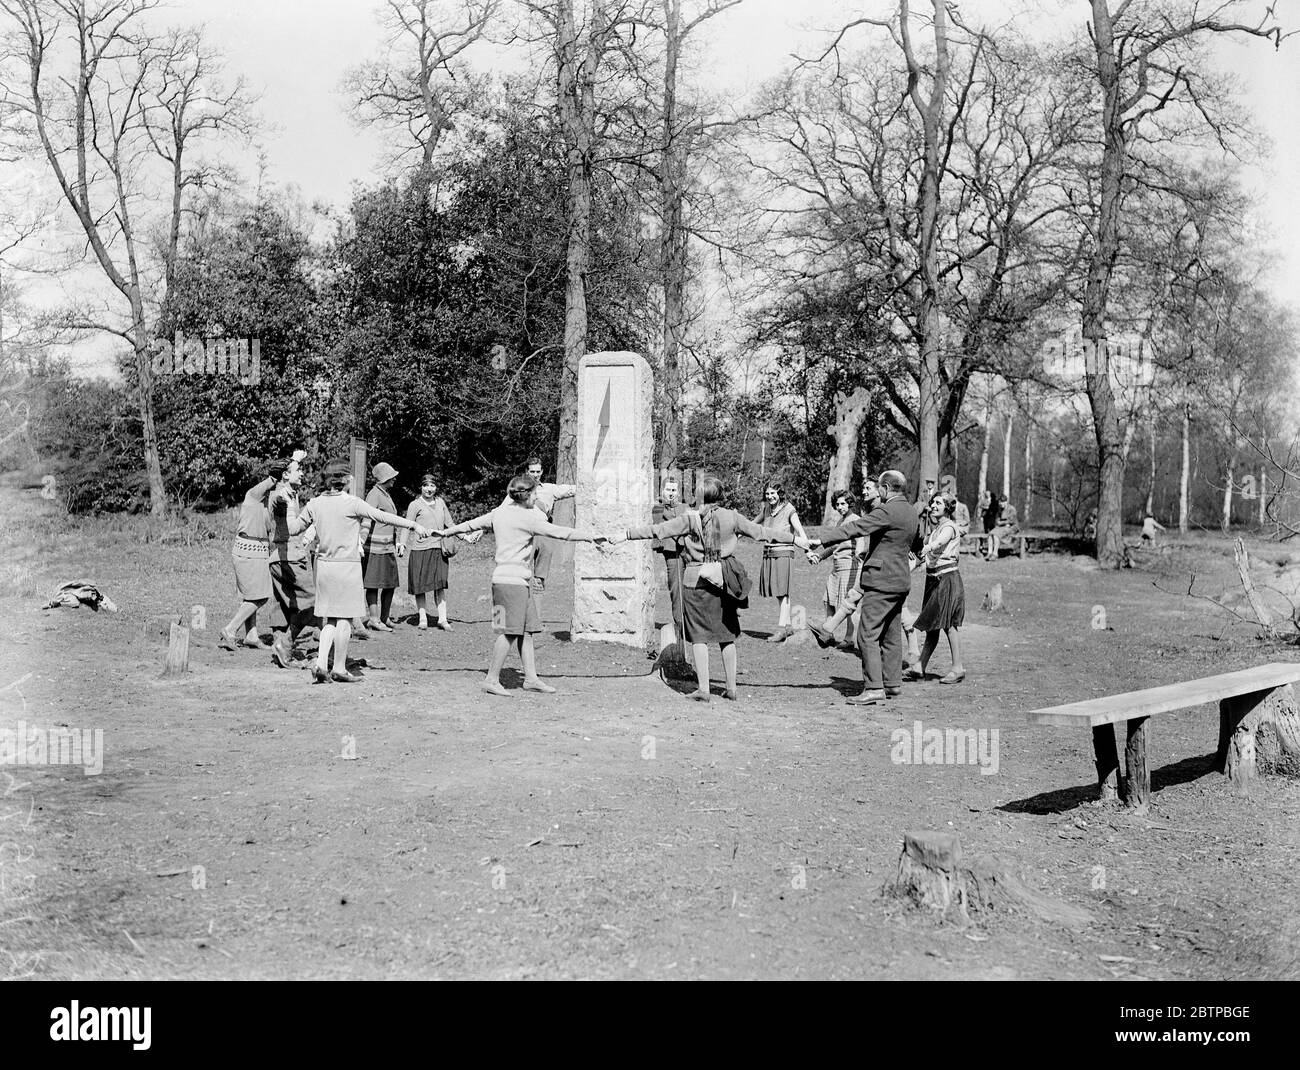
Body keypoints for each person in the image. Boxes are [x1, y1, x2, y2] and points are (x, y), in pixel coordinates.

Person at [610, 475, 812, 702]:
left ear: (699, 497)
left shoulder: (690, 518)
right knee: (727, 636)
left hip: (695, 581)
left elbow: (658, 530)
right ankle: (732, 688)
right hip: (724, 580)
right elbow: (762, 532)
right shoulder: (733, 517)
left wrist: (625, 535)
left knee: (699, 637)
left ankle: (704, 690)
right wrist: (796, 540)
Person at [440, 474, 606, 696]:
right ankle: (491, 679)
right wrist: (590, 537)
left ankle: (531, 678)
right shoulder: (530, 518)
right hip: (512, 585)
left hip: (505, 582)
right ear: (527, 496)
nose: (537, 498)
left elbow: (470, 524)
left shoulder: (497, 514)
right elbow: (561, 532)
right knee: (509, 632)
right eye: (535, 493)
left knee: (526, 631)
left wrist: (445, 532)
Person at [288, 460, 433, 683]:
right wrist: (413, 525)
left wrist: (286, 507)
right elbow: (381, 516)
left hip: (324, 568)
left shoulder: (315, 503)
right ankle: (338, 667)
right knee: (345, 618)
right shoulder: (352, 503)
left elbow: (294, 528)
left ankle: (320, 663)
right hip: (346, 568)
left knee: (329, 620)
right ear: (344, 479)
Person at [807, 470, 921, 705]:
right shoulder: (911, 512)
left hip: (880, 580)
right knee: (891, 635)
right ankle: (892, 684)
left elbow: (856, 527)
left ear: (886, 488)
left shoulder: (886, 510)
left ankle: (874, 688)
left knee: (867, 635)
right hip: (901, 581)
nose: (878, 492)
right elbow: (918, 544)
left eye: (879, 488)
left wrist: (822, 540)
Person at [402, 472, 476, 630]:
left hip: (438, 550)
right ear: (421, 487)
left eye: (432, 485)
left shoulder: (441, 502)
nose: (429, 489)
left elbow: (450, 524)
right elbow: (407, 526)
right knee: (420, 586)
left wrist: (466, 537)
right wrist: (401, 543)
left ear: (436, 487)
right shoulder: (414, 505)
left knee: (439, 585)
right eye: (426, 485)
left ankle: (442, 619)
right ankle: (423, 618)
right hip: (420, 549)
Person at [218, 462, 280, 651]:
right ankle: (230, 629)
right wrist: (281, 472)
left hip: (257, 552)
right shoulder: (251, 497)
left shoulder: (265, 507)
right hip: (248, 551)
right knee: (259, 597)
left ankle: (251, 635)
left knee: (253, 595)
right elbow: (270, 481)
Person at [908, 493, 966, 684]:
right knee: (933, 626)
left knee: (949, 625)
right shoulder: (934, 531)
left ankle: (958, 668)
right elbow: (921, 556)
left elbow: (939, 542)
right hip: (933, 580)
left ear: (948, 508)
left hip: (947, 578)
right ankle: (919, 666)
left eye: (939, 503)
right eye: (932, 502)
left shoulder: (949, 527)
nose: (933, 505)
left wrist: (928, 547)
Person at [267, 450, 317, 668]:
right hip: (289, 558)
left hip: (283, 557)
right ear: (285, 475)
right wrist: (314, 510)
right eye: (299, 470)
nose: (303, 473)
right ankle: (286, 644)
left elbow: (286, 477)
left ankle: (285, 646)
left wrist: (296, 460)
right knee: (315, 604)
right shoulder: (280, 496)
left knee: (294, 608)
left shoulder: (289, 491)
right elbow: (290, 525)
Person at [501, 458, 576, 593]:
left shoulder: (549, 489)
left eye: (537, 471)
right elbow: (500, 510)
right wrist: (481, 530)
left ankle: (539, 580)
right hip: (522, 527)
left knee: (546, 540)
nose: (535, 474)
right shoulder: (519, 488)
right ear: (527, 472)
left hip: (541, 528)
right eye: (532, 471)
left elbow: (572, 490)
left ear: (541, 472)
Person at [753, 483, 808, 642]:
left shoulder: (789, 509)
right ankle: (788, 626)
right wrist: (735, 534)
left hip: (784, 554)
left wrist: (807, 549)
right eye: (768, 494)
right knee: (779, 592)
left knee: (783, 592)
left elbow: (800, 531)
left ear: (780, 494)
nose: (770, 497)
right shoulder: (767, 509)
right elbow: (751, 525)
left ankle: (781, 628)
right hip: (770, 553)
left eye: (773, 493)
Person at [821, 490, 865, 650]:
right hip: (837, 567)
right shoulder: (840, 521)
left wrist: (859, 558)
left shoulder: (855, 520)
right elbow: (834, 544)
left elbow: (860, 541)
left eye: (843, 504)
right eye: (837, 504)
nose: (840, 507)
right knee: (828, 599)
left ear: (850, 504)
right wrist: (820, 556)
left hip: (850, 566)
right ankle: (827, 633)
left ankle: (849, 638)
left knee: (847, 604)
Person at [360, 462, 402, 630]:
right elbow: (366, 518)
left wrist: (397, 541)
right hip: (375, 548)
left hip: (388, 547)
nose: (394, 479)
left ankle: (384, 617)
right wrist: (362, 540)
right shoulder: (374, 495)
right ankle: (374, 619)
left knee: (390, 583)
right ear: (385, 478)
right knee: (373, 584)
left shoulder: (385, 494)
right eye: (392, 476)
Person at [652, 475, 688, 652]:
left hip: (690, 551)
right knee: (676, 587)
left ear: (679, 491)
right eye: (668, 490)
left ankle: (694, 623)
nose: (671, 493)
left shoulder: (685, 507)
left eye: (674, 490)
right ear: (662, 491)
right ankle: (680, 624)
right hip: (672, 551)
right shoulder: (658, 508)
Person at [986, 494, 1020, 561]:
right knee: (990, 534)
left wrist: (1002, 523)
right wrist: (998, 522)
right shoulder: (1000, 509)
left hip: (1012, 527)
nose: (1001, 504)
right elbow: (997, 519)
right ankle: (989, 553)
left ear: (1006, 502)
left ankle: (995, 554)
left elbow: (1011, 521)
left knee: (996, 535)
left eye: (1002, 502)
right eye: (1000, 502)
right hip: (1002, 527)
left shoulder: (1011, 509)